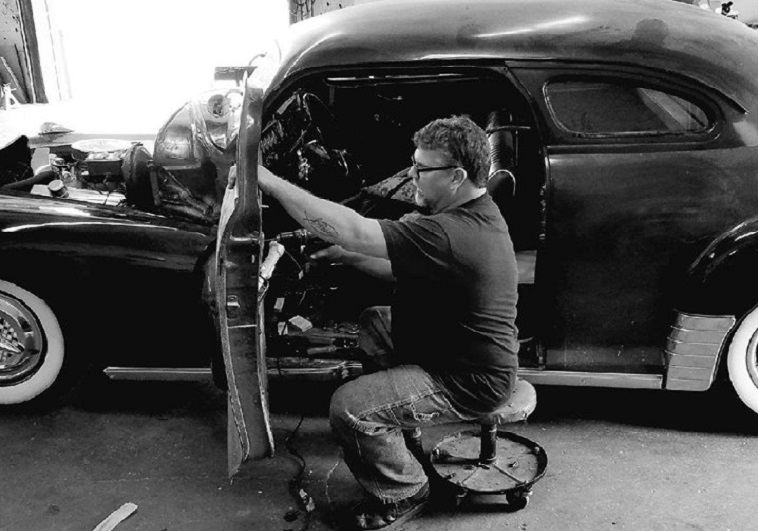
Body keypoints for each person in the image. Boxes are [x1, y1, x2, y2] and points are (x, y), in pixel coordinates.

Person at [257, 115, 519, 530]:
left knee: (349, 408)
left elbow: (354, 230)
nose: (411, 176)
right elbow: (402, 269)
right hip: (453, 350)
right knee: (376, 320)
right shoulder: (474, 216)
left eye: (422, 169)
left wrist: (268, 181)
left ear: (456, 176)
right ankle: (397, 424)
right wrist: (350, 258)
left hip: (469, 380)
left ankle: (404, 491)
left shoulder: (449, 232)